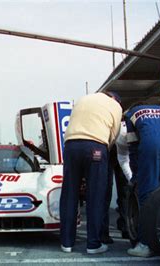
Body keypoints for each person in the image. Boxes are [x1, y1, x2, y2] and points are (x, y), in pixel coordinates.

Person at [59, 92, 122, 254]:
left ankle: (66, 242)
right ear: (115, 100)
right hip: (95, 147)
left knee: (69, 194)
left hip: (71, 146)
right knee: (96, 195)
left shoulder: (83, 99)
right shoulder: (115, 106)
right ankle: (93, 244)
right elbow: (113, 135)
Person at [125, 104, 160, 257]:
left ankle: (145, 244)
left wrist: (137, 175)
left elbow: (132, 146)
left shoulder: (131, 113)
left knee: (147, 195)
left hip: (150, 145)